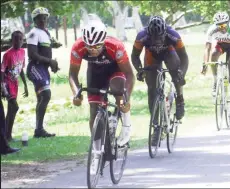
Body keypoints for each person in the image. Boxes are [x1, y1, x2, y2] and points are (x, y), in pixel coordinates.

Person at [69, 21, 134, 173]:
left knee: (118, 92)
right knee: (94, 109)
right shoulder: (78, 47)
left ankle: (126, 125)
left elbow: (130, 74)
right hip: (95, 72)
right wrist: (76, 93)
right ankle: (96, 153)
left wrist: (126, 98)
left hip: (115, 69)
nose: (93, 50)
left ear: (103, 41)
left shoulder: (115, 46)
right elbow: (72, 74)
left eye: (97, 46)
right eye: (89, 46)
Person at [131, 16, 188, 145]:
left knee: (176, 75)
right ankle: (156, 126)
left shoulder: (172, 35)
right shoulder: (142, 36)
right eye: (154, 38)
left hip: (169, 52)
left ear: (164, 32)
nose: (157, 40)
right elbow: (134, 56)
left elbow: (184, 57)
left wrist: (181, 73)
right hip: (151, 56)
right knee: (152, 90)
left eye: (160, 37)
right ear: (149, 33)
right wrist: (140, 70)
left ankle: (180, 100)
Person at [26, 7, 59, 138]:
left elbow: (45, 51)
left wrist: (52, 65)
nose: (43, 20)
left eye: (45, 17)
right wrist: (50, 61)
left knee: (42, 97)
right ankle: (39, 129)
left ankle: (39, 130)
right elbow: (32, 54)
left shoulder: (46, 33)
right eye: (40, 17)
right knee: (46, 94)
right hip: (35, 67)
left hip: (43, 68)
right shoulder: (33, 33)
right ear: (35, 20)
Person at [201, 11, 230, 121]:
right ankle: (215, 79)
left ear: (228, 23)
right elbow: (207, 48)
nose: (222, 28)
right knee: (214, 55)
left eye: (224, 25)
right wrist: (205, 64)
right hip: (221, 45)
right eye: (219, 25)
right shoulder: (212, 30)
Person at [1, 31, 29, 142]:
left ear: (23, 40)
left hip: (15, 84)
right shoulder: (7, 54)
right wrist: (2, 88)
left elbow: (21, 69)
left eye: (20, 39)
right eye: (16, 39)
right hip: (7, 84)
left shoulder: (22, 52)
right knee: (15, 107)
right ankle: (6, 135)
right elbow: (2, 71)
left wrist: (25, 85)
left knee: (11, 109)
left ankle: (7, 136)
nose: (18, 42)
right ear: (12, 40)